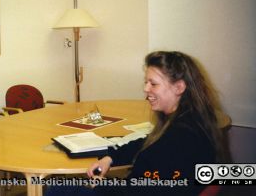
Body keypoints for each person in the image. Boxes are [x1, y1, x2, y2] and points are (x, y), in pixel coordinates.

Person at [46, 51, 224, 196]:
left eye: (153, 84)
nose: (145, 89)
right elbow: (146, 142)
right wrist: (110, 158)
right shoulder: (188, 121)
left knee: (57, 189)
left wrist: (101, 186)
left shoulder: (180, 137)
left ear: (179, 87)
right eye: (146, 82)